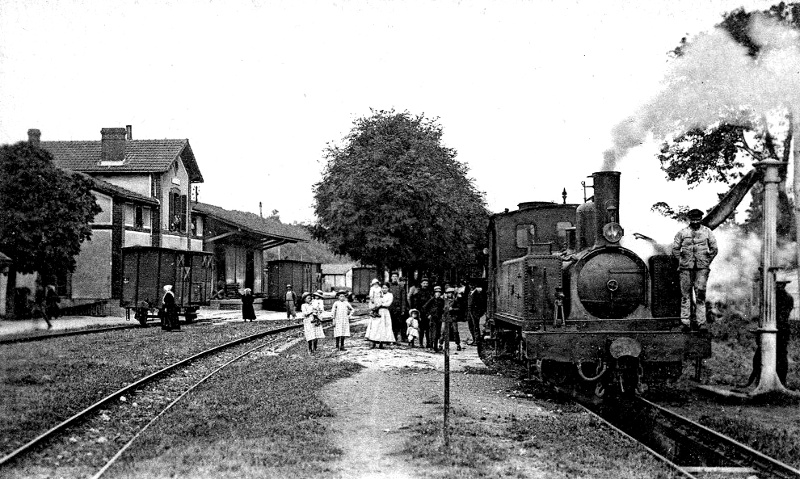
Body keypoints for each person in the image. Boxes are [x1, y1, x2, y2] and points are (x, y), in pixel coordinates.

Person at [672, 208, 718, 331]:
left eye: (698, 219)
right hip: (686, 269)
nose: (695, 221)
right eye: (693, 219)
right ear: (689, 219)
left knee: (700, 295)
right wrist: (681, 261)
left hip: (701, 269)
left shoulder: (707, 232)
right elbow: (675, 249)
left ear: (701, 219)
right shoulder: (682, 233)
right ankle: (685, 323)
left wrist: (707, 262)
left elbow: (714, 249)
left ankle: (701, 323)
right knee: (685, 295)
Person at [366, 282, 395, 348]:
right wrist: (374, 305)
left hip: (384, 311)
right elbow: (372, 301)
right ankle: (373, 341)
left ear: (388, 288)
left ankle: (382, 342)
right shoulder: (378, 293)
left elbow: (388, 303)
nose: (384, 289)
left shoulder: (390, 295)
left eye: (386, 288)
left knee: (384, 327)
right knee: (375, 326)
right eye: (383, 288)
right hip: (377, 311)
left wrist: (381, 304)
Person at [409, 277, 434, 348]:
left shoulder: (430, 293)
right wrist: (417, 313)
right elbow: (416, 303)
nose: (425, 285)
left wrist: (430, 313)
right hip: (420, 313)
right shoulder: (418, 293)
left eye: (426, 283)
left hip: (428, 313)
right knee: (421, 329)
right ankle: (421, 343)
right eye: (424, 283)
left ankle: (428, 343)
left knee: (428, 329)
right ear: (421, 284)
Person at [423, 286, 445, 352]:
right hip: (432, 318)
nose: (438, 294)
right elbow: (424, 307)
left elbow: (443, 309)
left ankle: (435, 347)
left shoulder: (442, 301)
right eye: (436, 292)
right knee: (432, 333)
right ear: (434, 293)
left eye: (439, 293)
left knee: (437, 333)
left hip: (439, 318)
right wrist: (428, 314)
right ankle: (431, 346)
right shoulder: (431, 300)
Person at [442, 286, 464, 351]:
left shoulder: (455, 301)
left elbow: (459, 309)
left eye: (451, 293)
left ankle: (458, 344)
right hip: (445, 317)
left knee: (455, 331)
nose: (450, 294)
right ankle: (441, 344)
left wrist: (453, 309)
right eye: (448, 293)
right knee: (443, 331)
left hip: (453, 317)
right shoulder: (444, 300)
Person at [388, 272, 409, 342]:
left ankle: (395, 338)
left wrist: (403, 309)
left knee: (397, 324)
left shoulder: (401, 287)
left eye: (396, 276)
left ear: (397, 278)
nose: (394, 278)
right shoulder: (388, 286)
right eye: (393, 276)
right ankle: (390, 338)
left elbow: (403, 299)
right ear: (391, 277)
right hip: (389, 308)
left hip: (398, 308)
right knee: (390, 323)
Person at [467, 281, 487, 346]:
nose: (470, 287)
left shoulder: (478, 294)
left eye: (471, 285)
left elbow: (482, 304)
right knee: (470, 326)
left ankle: (477, 341)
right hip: (470, 311)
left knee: (475, 326)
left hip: (475, 312)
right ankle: (474, 339)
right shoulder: (470, 293)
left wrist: (479, 313)